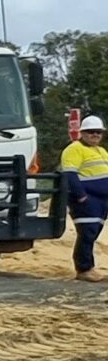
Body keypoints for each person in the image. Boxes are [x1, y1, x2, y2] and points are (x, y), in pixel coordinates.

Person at [64, 114, 108, 281]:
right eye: (91, 132)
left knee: (93, 234)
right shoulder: (75, 149)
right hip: (87, 199)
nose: (95, 135)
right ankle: (84, 269)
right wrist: (81, 196)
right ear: (82, 133)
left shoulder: (101, 151)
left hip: (102, 201)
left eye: (98, 132)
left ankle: (89, 267)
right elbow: (70, 174)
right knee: (87, 233)